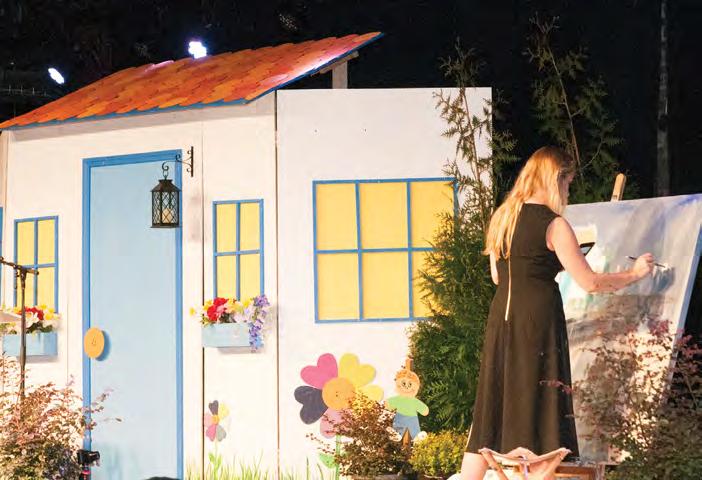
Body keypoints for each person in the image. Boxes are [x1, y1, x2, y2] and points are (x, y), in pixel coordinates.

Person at [460, 146, 655, 479]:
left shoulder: (502, 217)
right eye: (568, 183)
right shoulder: (554, 225)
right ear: (556, 178)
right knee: (539, 413)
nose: (568, 191)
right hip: (537, 322)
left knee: (490, 411)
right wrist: (634, 274)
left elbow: (497, 276)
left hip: (502, 320)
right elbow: (590, 282)